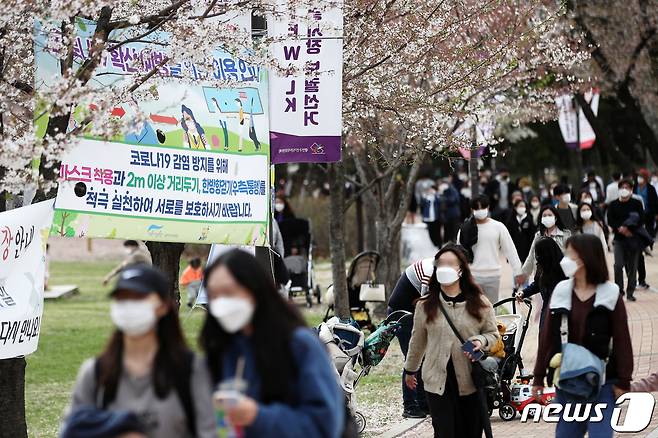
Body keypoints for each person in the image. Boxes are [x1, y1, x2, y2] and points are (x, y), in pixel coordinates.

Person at [199, 250, 343, 438]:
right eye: (214, 296)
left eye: (229, 292)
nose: (221, 304)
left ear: (255, 290)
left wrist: (257, 416)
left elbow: (325, 425)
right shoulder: (222, 349)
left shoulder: (300, 345)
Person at [66, 265, 216, 438]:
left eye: (139, 298)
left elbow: (210, 432)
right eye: (122, 299)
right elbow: (72, 430)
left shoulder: (192, 370)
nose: (129, 306)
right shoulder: (94, 372)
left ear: (163, 306)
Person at [532, 234, 633, 438]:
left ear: (586, 258)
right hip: (568, 381)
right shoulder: (561, 291)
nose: (565, 259)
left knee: (601, 435)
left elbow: (622, 340)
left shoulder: (610, 293)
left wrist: (624, 381)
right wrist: (538, 377)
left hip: (603, 381)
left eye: (570, 254)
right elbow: (546, 338)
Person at [404, 244, 499, 438]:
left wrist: (481, 341)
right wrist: (410, 370)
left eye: (450, 263)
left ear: (461, 270)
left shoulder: (480, 303)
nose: (444, 268)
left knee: (470, 432)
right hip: (437, 381)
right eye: (440, 264)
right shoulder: (425, 305)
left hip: (471, 380)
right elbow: (417, 341)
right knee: (444, 432)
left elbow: (494, 335)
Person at [387, 258, 435, 418]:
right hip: (402, 314)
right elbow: (424, 304)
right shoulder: (429, 271)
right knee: (413, 357)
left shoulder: (446, 271)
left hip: (413, 311)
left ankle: (423, 403)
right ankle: (409, 406)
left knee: (423, 357)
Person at [457, 195, 523, 304]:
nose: (480, 211)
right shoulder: (464, 229)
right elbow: (458, 253)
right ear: (472, 210)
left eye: (482, 207)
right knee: (473, 310)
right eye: (476, 208)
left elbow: (510, 250)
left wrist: (518, 271)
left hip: (493, 276)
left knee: (492, 309)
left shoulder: (498, 227)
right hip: (472, 276)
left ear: (488, 208)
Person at [515, 237, 566, 329]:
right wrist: (524, 293)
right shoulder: (541, 267)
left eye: (540, 254)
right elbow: (537, 284)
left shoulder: (564, 270)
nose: (537, 258)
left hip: (560, 315)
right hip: (546, 314)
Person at [607, 179, 645, 301]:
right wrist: (619, 228)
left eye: (627, 187)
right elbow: (610, 219)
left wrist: (630, 230)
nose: (624, 190)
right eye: (622, 187)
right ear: (619, 189)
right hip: (619, 239)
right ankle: (619, 290)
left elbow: (641, 219)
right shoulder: (613, 205)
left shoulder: (636, 203)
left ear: (631, 190)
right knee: (618, 265)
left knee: (633, 267)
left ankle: (630, 292)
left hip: (634, 239)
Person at [520, 205, 571, 283]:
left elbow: (570, 255)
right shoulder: (538, 236)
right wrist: (523, 274)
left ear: (556, 218)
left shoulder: (565, 235)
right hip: (541, 276)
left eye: (550, 215)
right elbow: (531, 255)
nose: (547, 217)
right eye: (544, 215)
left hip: (560, 276)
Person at [635, 168, 658, 290]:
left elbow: (655, 202)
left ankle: (647, 244)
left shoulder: (650, 188)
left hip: (648, 214)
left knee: (648, 232)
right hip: (636, 216)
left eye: (641, 176)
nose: (639, 178)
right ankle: (646, 245)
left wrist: (655, 213)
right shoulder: (634, 187)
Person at [504, 199, 536, 264]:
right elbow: (508, 236)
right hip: (514, 249)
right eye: (520, 206)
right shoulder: (511, 220)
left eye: (523, 206)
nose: (522, 208)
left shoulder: (529, 218)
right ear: (515, 208)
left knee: (525, 271)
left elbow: (532, 235)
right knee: (516, 271)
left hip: (526, 249)